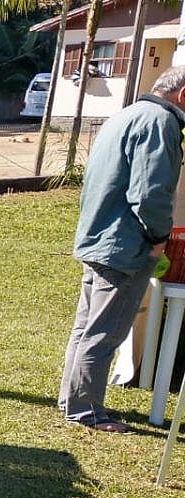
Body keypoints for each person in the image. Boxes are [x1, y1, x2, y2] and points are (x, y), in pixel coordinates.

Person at [59, 66, 185, 434]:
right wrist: (160, 237)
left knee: (87, 327)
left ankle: (75, 401)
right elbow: (150, 194)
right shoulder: (159, 122)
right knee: (104, 331)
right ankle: (85, 410)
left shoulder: (126, 115)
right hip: (125, 246)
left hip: (100, 237)